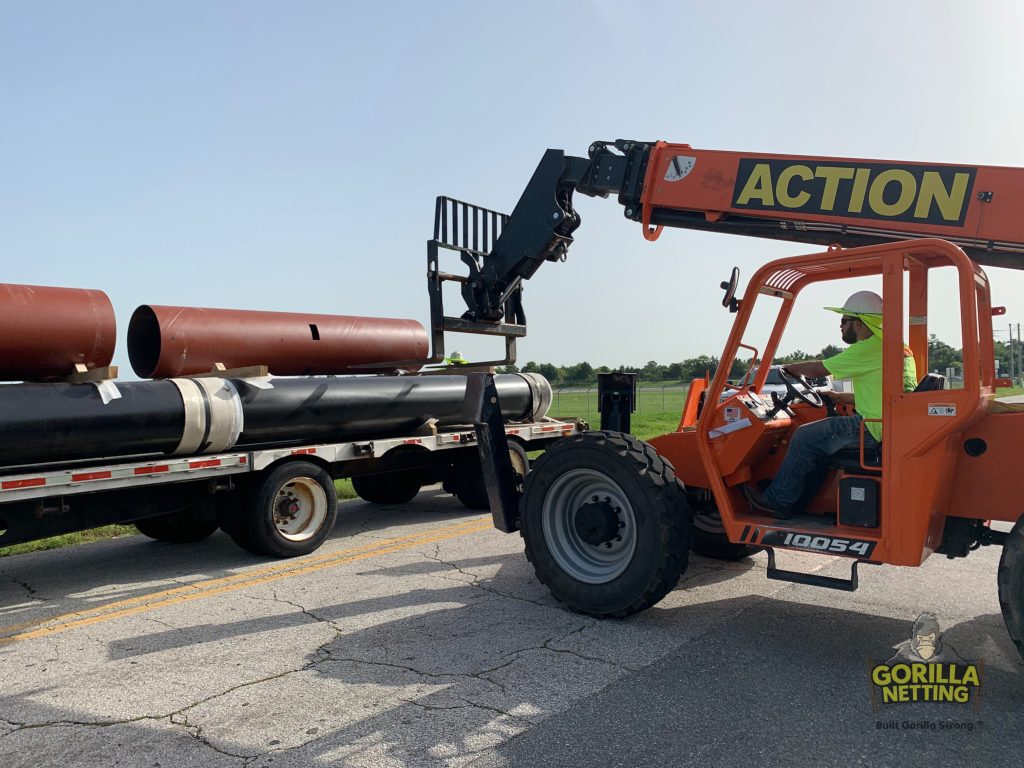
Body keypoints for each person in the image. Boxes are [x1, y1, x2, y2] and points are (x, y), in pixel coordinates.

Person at [744, 290, 917, 519]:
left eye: (844, 321)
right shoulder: (896, 346)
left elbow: (820, 368)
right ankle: (800, 503)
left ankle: (777, 500)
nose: (841, 327)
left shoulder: (869, 347)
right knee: (818, 441)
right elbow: (887, 393)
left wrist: (788, 368)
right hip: (889, 423)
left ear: (859, 323)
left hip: (872, 428)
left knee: (804, 436)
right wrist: (839, 397)